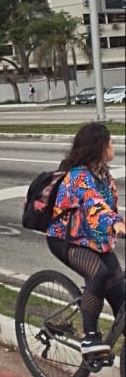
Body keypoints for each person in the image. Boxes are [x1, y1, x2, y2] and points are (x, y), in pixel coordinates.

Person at [46, 122, 125, 357]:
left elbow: (109, 208)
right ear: (99, 147)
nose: (113, 146)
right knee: (99, 273)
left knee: (119, 293)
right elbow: (94, 205)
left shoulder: (104, 175)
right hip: (66, 240)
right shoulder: (78, 176)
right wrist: (114, 224)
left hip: (95, 241)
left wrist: (117, 222)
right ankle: (89, 337)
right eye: (110, 142)